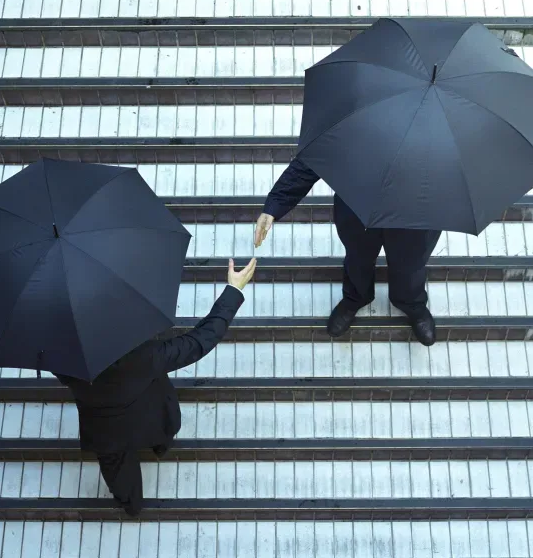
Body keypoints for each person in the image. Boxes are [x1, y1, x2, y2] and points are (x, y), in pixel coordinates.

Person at [55, 257, 257, 515]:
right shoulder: (144, 355)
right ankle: (161, 446)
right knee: (162, 425)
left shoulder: (60, 349)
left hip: (102, 425)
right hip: (147, 404)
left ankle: (131, 505)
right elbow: (199, 340)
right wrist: (234, 289)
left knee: (117, 470)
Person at [255, 159, 439, 345]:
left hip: (416, 212)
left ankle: (411, 304)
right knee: (358, 259)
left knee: (410, 265)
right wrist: (275, 203)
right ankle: (355, 298)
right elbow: (315, 155)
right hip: (359, 206)